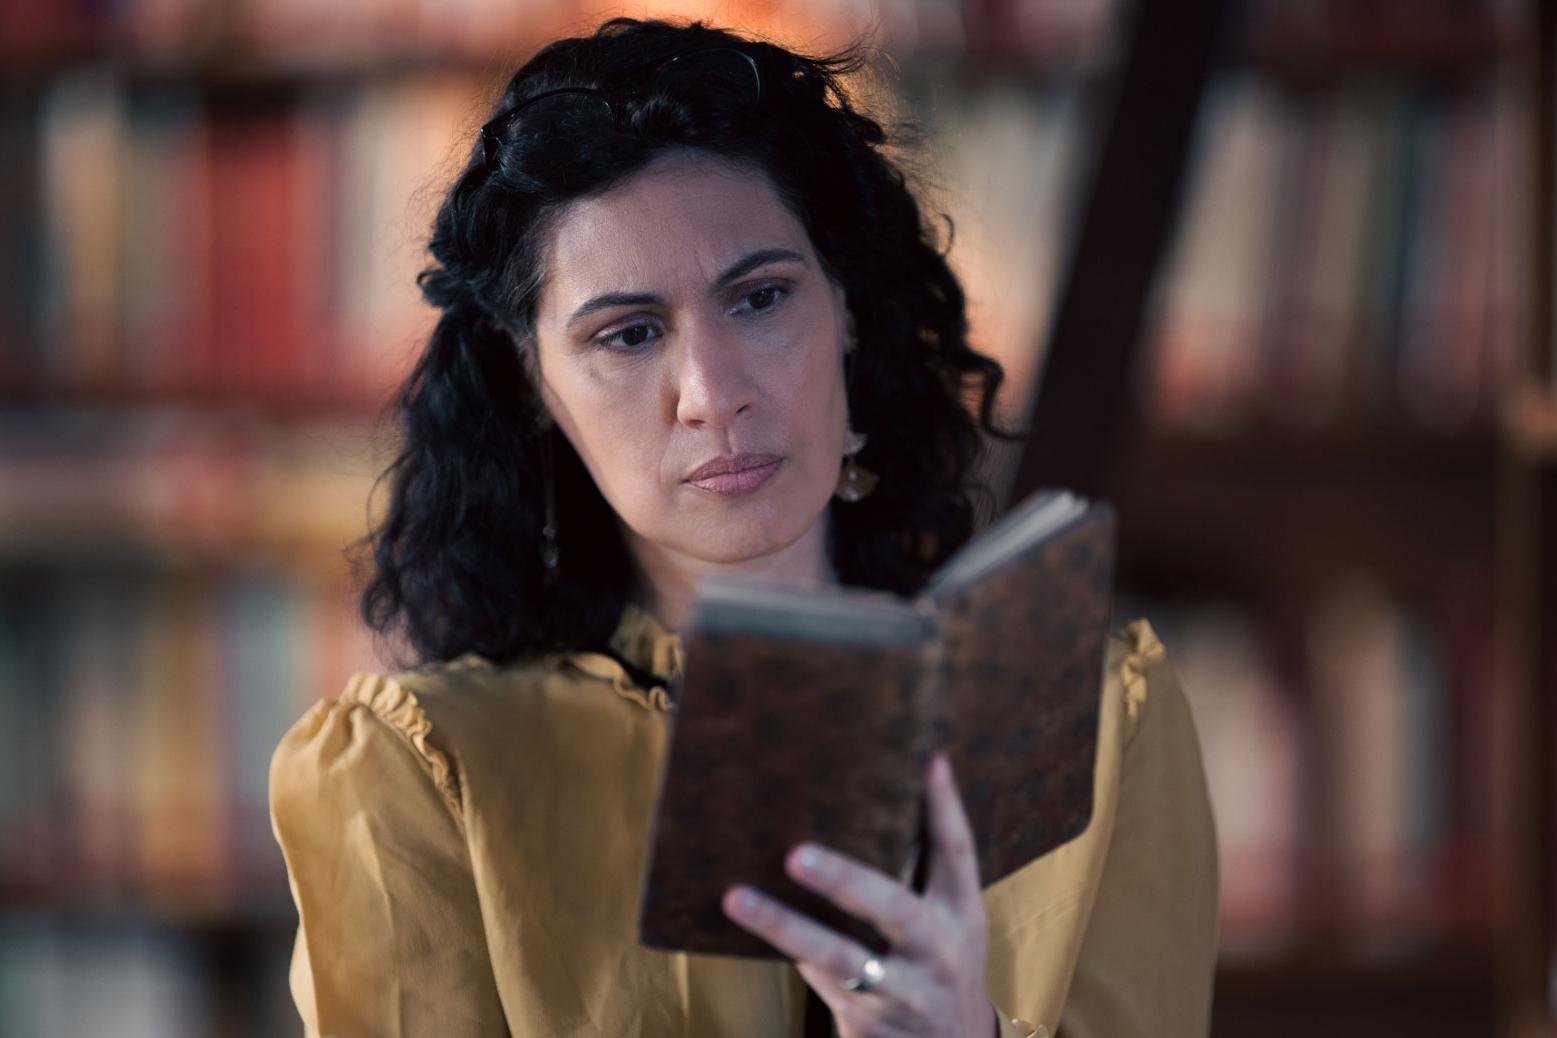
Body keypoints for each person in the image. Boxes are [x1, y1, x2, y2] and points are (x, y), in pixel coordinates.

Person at [268, 16, 1220, 1037]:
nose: (712, 394)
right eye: (627, 334)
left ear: (846, 307)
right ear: (532, 381)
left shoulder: (1097, 718)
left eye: (760, 299)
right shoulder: (418, 775)